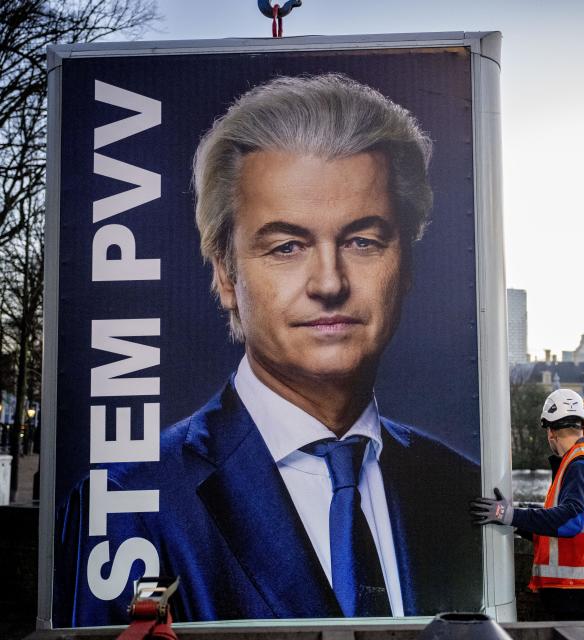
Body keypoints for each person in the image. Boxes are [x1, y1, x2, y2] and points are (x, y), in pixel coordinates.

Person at [57, 74, 480, 626]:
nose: (329, 282)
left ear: (407, 264)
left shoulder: (460, 487)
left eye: (363, 241)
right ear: (225, 274)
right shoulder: (128, 502)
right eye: (286, 246)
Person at [471, 389, 584, 620]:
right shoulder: (582, 460)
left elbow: (571, 521)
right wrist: (513, 519)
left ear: (551, 432)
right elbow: (557, 527)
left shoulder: (580, 464)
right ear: (583, 427)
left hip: (583, 595)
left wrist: (511, 516)